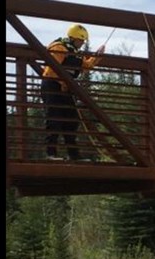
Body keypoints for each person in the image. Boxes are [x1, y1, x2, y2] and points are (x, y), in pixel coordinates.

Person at [40, 24, 105, 161]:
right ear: (73, 38)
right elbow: (53, 69)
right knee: (54, 118)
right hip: (52, 85)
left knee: (71, 120)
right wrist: (65, 81)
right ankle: (50, 153)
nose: (82, 44)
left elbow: (86, 66)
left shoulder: (75, 53)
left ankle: (73, 155)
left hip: (64, 89)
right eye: (81, 41)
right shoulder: (58, 47)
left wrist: (97, 56)